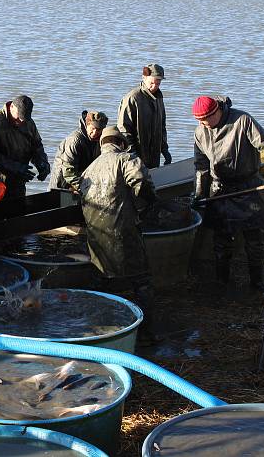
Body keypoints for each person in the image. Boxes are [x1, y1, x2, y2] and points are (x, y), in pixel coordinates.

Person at [192, 95, 264, 290]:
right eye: (199, 121)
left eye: (206, 120)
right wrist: (200, 194)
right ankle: (222, 281)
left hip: (248, 186)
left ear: (216, 111)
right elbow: (201, 166)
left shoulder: (243, 121)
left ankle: (257, 282)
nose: (204, 124)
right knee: (221, 241)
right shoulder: (201, 132)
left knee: (254, 240)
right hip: (220, 189)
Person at [79, 126, 162, 344]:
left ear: (102, 144)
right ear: (121, 143)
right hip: (123, 232)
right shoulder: (126, 160)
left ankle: (97, 333)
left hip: (97, 238)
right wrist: (145, 206)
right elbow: (143, 185)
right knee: (141, 281)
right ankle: (147, 334)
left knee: (101, 285)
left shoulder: (88, 170)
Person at [0, 95, 50, 199]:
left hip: (18, 180)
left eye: (24, 119)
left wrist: (42, 163)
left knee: (18, 211)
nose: (21, 122)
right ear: (11, 107)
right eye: (18, 117)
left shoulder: (28, 122)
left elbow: (36, 146)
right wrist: (14, 167)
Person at [116, 63, 172, 168]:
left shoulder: (159, 99)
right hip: (135, 157)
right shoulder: (132, 98)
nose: (154, 87)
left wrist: (164, 149)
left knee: (153, 182)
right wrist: (133, 155)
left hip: (154, 156)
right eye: (151, 83)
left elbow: (162, 126)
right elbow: (123, 130)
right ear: (144, 78)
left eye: (158, 83)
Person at [50, 110, 108, 192]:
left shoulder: (99, 140)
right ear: (87, 124)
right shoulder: (74, 141)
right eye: (93, 128)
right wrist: (84, 188)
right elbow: (68, 172)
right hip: (63, 183)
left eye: (99, 130)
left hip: (82, 180)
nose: (95, 132)